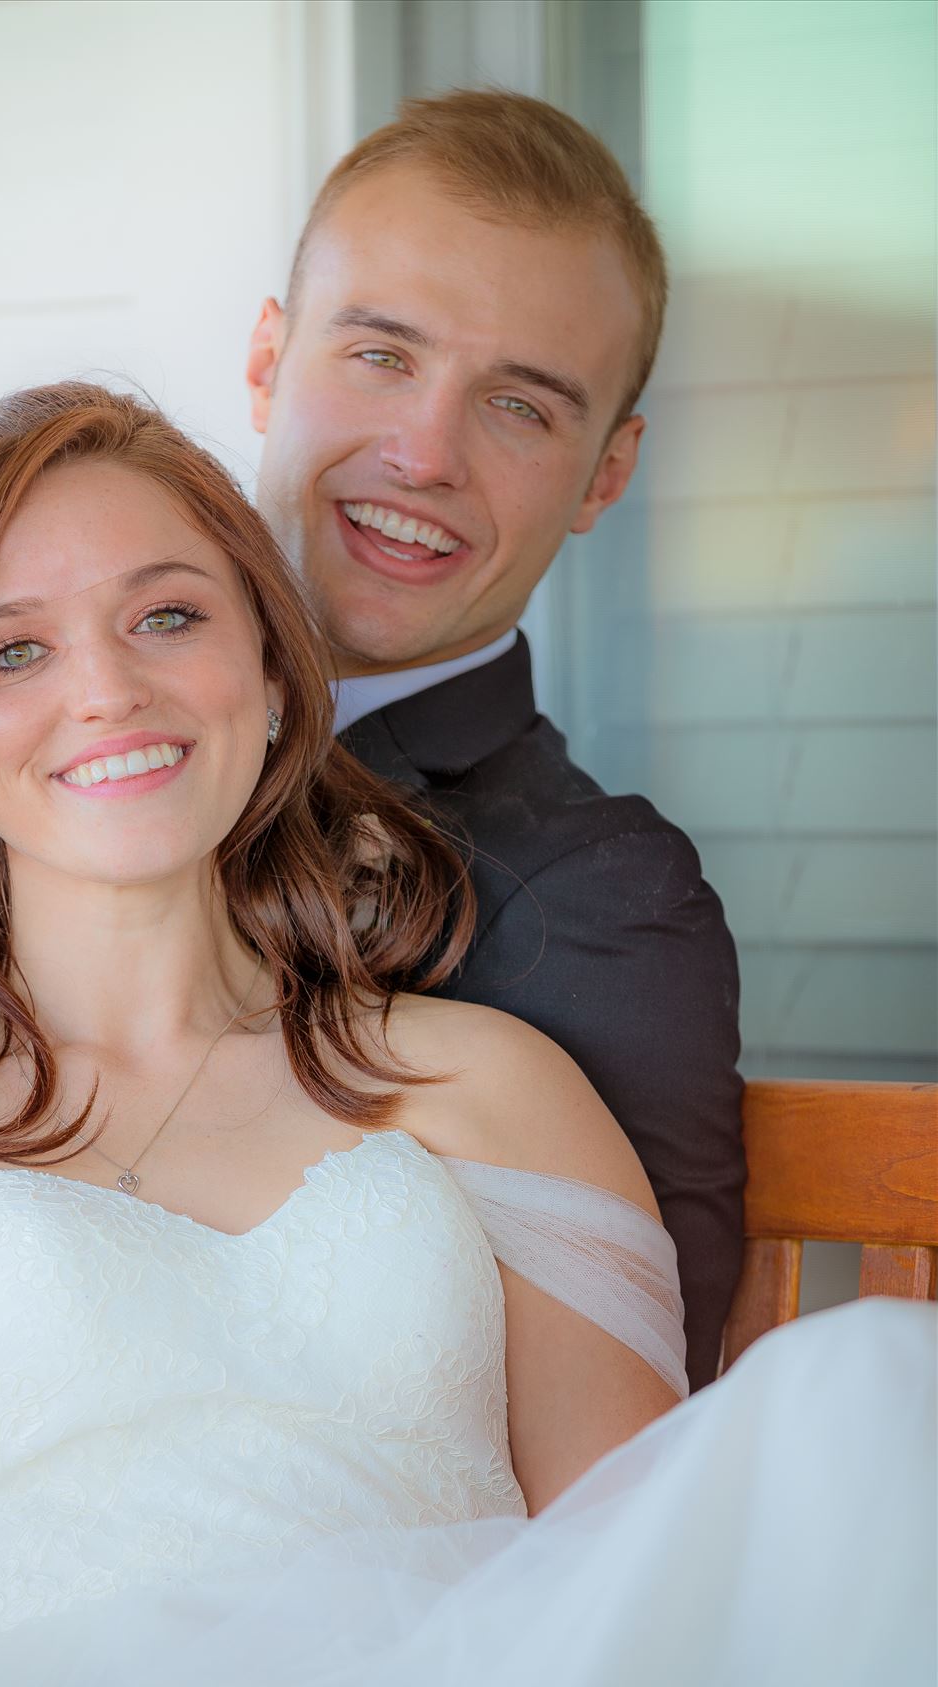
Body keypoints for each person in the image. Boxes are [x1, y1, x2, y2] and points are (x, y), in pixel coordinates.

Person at [0, 384, 933, 1687]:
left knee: (878, 1392)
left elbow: (636, 1581)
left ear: (269, 675)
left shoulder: (487, 1088)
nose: (108, 691)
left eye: (169, 617)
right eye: (14, 651)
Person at [254, 90, 745, 1397]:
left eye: (519, 406)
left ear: (604, 477)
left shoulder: (597, 902)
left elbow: (634, 1473)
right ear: (266, 361)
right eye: (380, 356)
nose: (423, 453)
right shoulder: (51, 753)